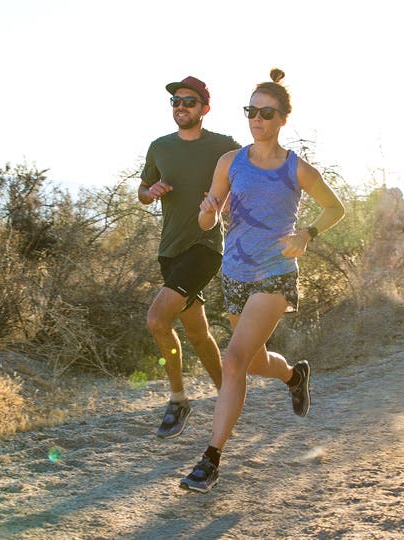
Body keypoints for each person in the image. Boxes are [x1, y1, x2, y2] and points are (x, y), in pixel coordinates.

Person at [181, 68, 346, 492]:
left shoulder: (296, 168)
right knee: (253, 361)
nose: (257, 119)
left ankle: (210, 459)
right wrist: (209, 210)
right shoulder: (229, 162)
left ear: (283, 119)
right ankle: (294, 376)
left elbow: (334, 208)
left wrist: (307, 234)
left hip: (274, 274)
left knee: (233, 361)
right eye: (251, 111)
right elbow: (205, 220)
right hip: (234, 274)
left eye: (267, 113)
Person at [139, 76, 241, 439]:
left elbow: (249, 177)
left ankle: (179, 400)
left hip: (205, 247)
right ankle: (227, 396)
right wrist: (150, 191)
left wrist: (226, 203)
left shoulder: (224, 146)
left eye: (189, 102)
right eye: (176, 102)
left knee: (156, 319)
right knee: (197, 333)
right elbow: (142, 190)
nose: (181, 107)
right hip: (170, 249)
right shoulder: (159, 147)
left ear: (204, 109)